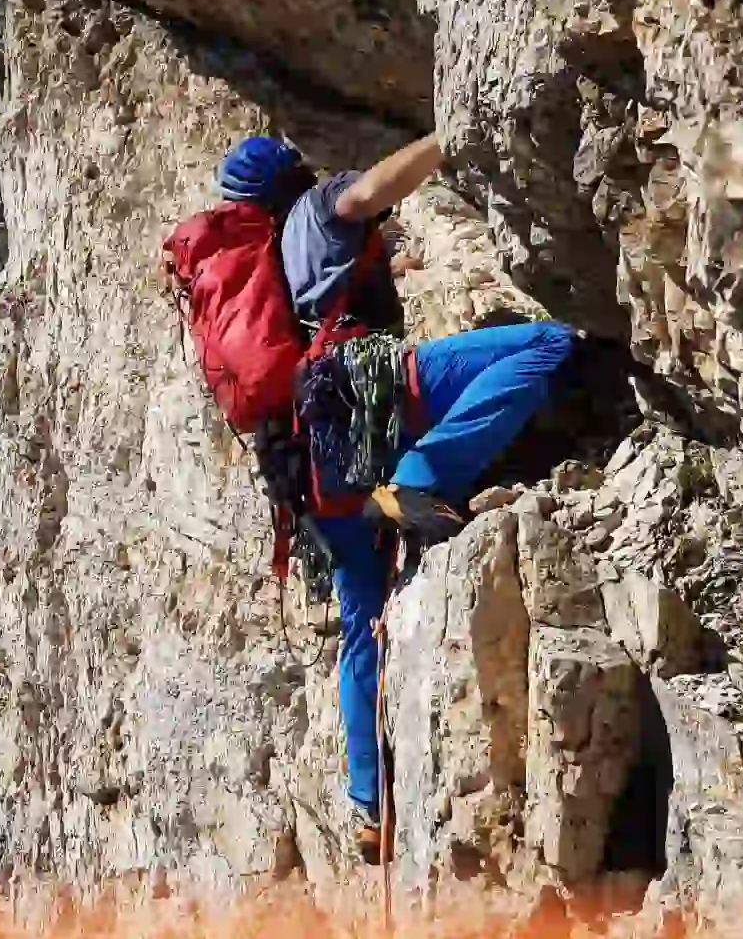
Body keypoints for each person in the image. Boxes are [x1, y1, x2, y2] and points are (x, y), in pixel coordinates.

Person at [215, 133, 576, 862]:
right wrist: (456, 128)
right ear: (295, 176)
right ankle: (418, 476)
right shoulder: (316, 210)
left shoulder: (257, 273)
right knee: (549, 343)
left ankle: (365, 805)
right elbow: (365, 193)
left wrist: (399, 266)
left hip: (311, 463)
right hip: (371, 396)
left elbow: (320, 304)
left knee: (361, 625)